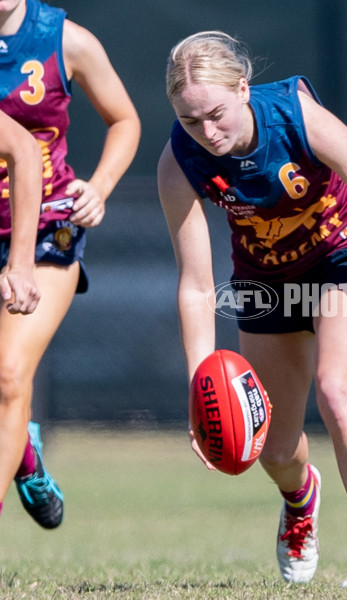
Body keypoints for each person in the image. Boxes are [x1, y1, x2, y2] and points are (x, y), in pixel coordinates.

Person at [157, 30, 347, 590]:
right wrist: (201, 382)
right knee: (272, 445)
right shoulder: (181, 161)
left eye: (216, 113)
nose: (207, 132)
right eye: (191, 121)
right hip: (266, 277)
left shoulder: (298, 117)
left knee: (338, 391)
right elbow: (196, 285)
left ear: (243, 89)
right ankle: (300, 498)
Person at [0, 0, 140, 528]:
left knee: (9, 374)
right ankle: (25, 454)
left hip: (45, 229)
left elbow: (124, 119)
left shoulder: (65, 39)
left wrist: (99, 189)